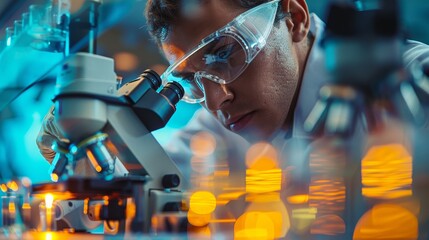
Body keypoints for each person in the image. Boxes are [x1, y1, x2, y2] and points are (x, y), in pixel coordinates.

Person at [36, 0, 429, 237]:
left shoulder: (411, 84)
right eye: (192, 80)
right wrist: (93, 134)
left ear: (293, 17)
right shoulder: (220, 127)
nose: (216, 99)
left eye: (224, 53)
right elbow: (143, 182)